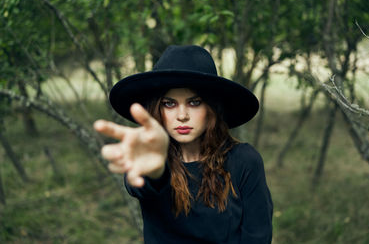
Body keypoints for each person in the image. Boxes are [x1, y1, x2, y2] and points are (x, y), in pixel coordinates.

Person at [93, 45, 273, 244]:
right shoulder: (150, 159)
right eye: (169, 104)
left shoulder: (244, 161)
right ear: (157, 110)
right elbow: (144, 182)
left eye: (194, 102)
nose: (182, 116)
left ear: (211, 108)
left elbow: (258, 237)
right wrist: (155, 170)